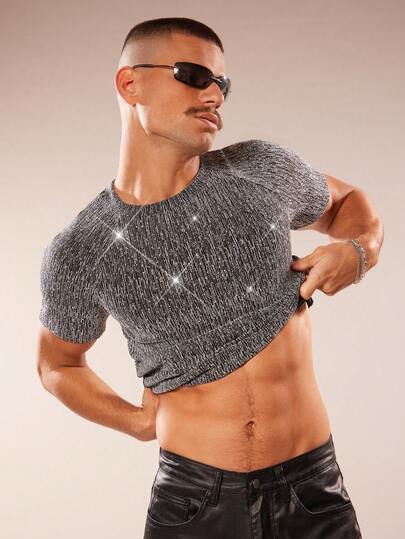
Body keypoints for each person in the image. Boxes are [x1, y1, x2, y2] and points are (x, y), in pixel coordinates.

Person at [36, 17, 383, 539]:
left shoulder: (258, 169)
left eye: (222, 83)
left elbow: (347, 201)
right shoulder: (82, 248)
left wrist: (360, 250)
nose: (214, 94)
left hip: (312, 490)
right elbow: (57, 364)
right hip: (194, 503)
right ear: (130, 83)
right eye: (194, 75)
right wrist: (135, 421)